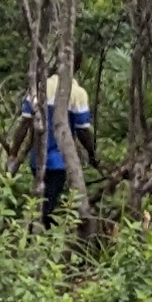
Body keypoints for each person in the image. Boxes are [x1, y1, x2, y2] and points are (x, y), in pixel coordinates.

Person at [20, 67, 96, 221]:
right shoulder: (77, 93)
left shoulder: (38, 88)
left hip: (37, 159)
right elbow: (83, 131)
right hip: (59, 161)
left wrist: (14, 151)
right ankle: (38, 236)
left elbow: (24, 124)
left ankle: (33, 233)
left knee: (41, 200)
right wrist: (92, 154)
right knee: (49, 204)